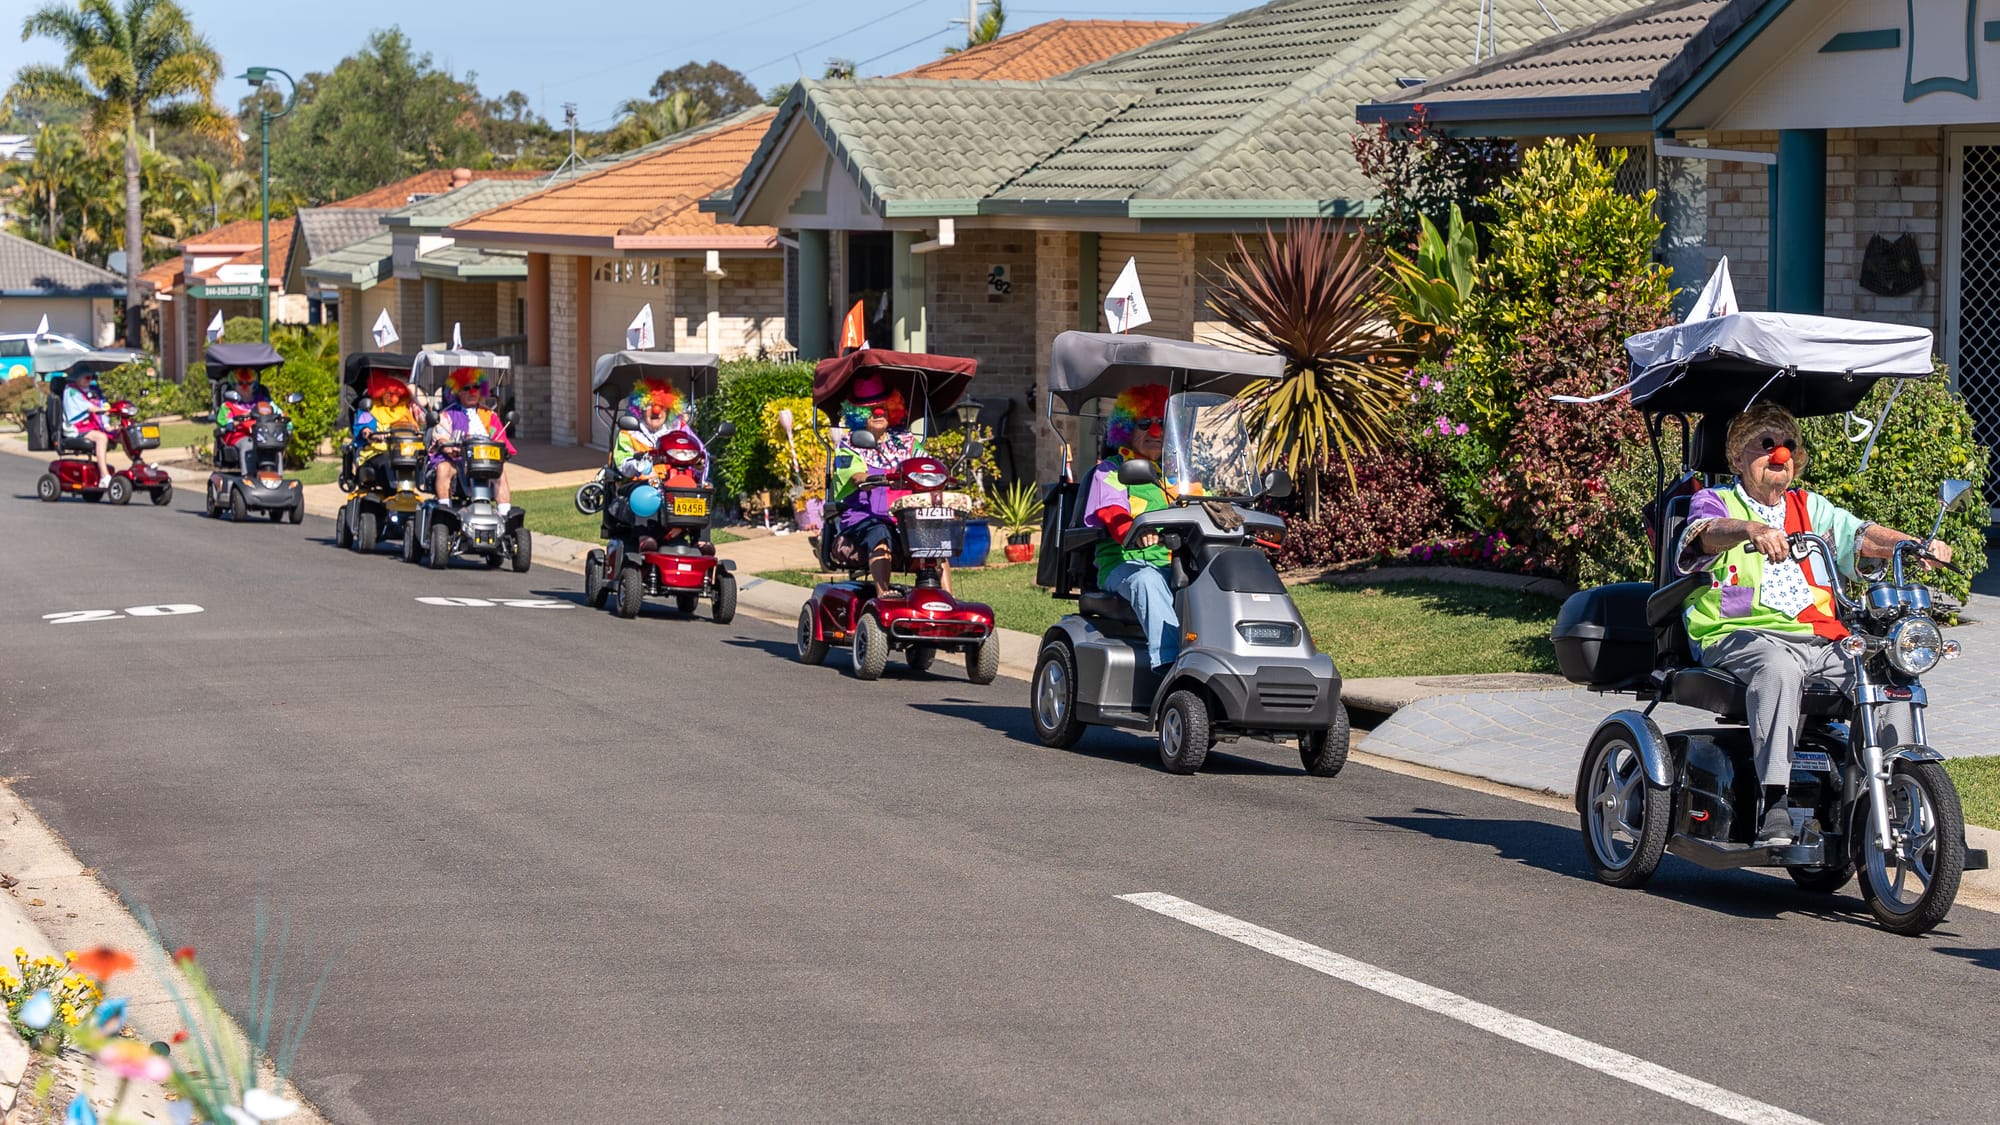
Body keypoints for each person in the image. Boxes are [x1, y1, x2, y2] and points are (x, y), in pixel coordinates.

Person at [1676, 403, 1952, 846]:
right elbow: (1706, 533)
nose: (1779, 455)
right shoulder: (1716, 500)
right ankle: (1775, 804)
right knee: (1780, 670)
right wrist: (1750, 529)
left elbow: (1860, 535)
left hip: (1819, 636)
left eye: (1787, 446)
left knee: (1888, 672)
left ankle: (1892, 795)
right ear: (1736, 457)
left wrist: (1914, 546)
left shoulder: (1810, 507)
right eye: (1766, 445)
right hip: (1739, 633)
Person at [1084, 384, 1180, 671]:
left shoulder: (1176, 473)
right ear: (1126, 428)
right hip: (1125, 564)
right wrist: (1133, 532)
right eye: (1144, 423)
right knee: (1147, 581)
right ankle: (1169, 664)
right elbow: (1113, 512)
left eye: (1162, 423)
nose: (1155, 432)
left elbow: (1208, 502)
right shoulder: (1110, 471)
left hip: (1178, 564)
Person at [829, 376, 924, 598]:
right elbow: (854, 476)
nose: (878, 414)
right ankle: (884, 593)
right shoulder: (851, 443)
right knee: (879, 532)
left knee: (935, 537)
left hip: (903, 517)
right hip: (864, 518)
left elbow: (925, 463)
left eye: (882, 408)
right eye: (870, 410)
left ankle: (946, 597)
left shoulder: (906, 441)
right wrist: (869, 478)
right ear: (859, 416)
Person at [430, 367, 515, 508]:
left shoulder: (490, 415)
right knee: (443, 468)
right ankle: (444, 511)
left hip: (484, 460)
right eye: (466, 388)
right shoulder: (447, 414)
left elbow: (499, 438)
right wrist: (448, 447)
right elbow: (441, 437)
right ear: (457, 391)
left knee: (500, 473)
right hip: (457, 461)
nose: (472, 392)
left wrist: (499, 447)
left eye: (476, 387)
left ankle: (505, 514)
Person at [349, 372, 422, 492]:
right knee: (388, 464)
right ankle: (394, 497)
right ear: (381, 392)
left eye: (397, 394)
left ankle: (408, 498)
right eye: (389, 393)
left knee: (412, 464)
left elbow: (415, 426)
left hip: (402, 454)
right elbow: (365, 429)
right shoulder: (370, 409)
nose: (393, 397)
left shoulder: (404, 410)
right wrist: (370, 434)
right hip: (374, 453)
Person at [611, 378, 687, 479]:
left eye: (662, 406)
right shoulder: (629, 433)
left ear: (669, 410)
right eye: (649, 405)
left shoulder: (677, 432)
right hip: (639, 484)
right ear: (640, 409)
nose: (656, 411)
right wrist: (639, 465)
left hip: (672, 483)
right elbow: (623, 464)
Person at [60, 370, 117, 482]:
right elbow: (90, 407)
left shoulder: (93, 390)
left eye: (91, 377)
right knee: (101, 437)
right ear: (77, 377)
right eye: (87, 377)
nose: (89, 380)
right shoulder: (71, 391)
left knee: (122, 433)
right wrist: (102, 411)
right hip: (77, 428)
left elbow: (102, 404)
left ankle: (138, 467)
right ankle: (104, 476)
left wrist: (106, 424)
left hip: (93, 425)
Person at [217, 366, 276, 472]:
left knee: (274, 446)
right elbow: (224, 422)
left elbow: (276, 411)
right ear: (234, 384)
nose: (245, 387)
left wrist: (286, 423)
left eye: (249, 383)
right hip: (238, 436)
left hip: (262, 434)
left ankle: (276, 477)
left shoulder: (263, 401)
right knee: (248, 445)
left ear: (255, 384)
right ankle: (248, 478)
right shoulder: (228, 405)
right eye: (240, 383)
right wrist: (240, 419)